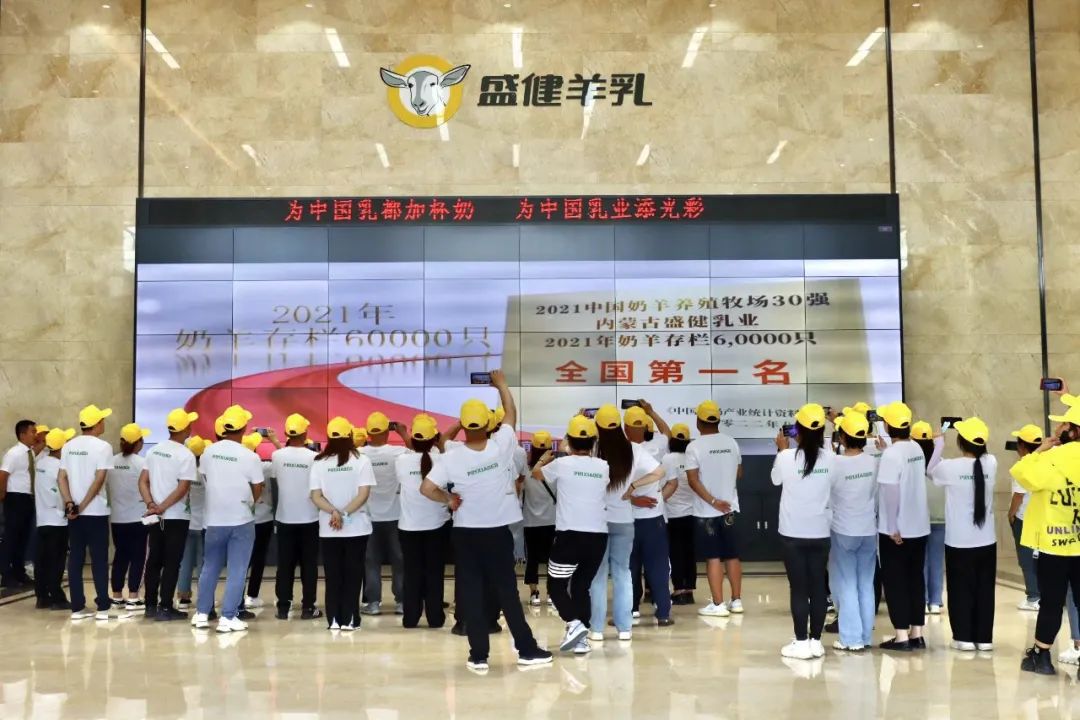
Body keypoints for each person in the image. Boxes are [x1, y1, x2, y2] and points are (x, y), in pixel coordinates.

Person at [420, 369, 553, 671]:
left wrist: (449, 500)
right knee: (507, 592)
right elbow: (511, 413)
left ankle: (478, 655)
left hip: (465, 534)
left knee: (471, 592)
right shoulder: (500, 446)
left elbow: (426, 488)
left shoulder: (451, 456)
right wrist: (501, 385)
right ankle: (526, 649)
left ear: (465, 425)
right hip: (496, 533)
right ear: (487, 424)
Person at [530, 415, 610, 654]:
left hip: (570, 536)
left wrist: (544, 458)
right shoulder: (603, 466)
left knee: (555, 585)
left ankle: (574, 623)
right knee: (581, 586)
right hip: (598, 536)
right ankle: (581, 639)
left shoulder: (561, 464)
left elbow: (536, 473)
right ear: (594, 442)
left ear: (569, 440)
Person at [589, 404, 667, 641]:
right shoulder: (634, 449)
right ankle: (624, 629)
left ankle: (597, 629)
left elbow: (565, 447)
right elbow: (659, 472)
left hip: (599, 522)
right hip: (624, 521)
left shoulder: (593, 449)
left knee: (598, 575)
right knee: (623, 573)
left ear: (598, 426)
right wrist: (633, 486)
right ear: (620, 426)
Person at [1014, 396, 1080, 675]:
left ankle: (1041, 656)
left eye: (1064, 424)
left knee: (1051, 602)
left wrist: (1039, 450)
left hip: (1054, 545)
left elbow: (1021, 473)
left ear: (1073, 431)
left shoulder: (1051, 459)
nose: (1058, 428)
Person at [191, 405, 264, 633]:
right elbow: (258, 487)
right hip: (241, 519)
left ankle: (202, 614)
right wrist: (248, 503)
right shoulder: (250, 456)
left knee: (210, 567)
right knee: (237, 570)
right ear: (243, 428)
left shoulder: (208, 452)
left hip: (213, 519)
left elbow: (205, 477)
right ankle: (228, 617)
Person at [772, 403, 835, 659]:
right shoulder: (831, 458)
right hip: (821, 531)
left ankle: (800, 642)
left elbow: (775, 479)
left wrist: (781, 449)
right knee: (818, 586)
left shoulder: (786, 457)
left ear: (797, 430)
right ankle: (816, 641)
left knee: (798, 588)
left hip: (792, 533)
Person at [931, 417, 997, 652]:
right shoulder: (992, 462)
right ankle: (984, 639)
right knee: (985, 590)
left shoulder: (950, 467)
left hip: (959, 542)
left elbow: (930, 471)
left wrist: (939, 444)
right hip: (987, 540)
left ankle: (963, 638)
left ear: (961, 442)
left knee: (960, 589)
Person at [309, 417, 377, 631]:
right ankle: (350, 619)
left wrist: (334, 513)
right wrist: (344, 513)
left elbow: (315, 496)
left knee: (333, 576)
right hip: (357, 527)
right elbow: (363, 494)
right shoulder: (361, 460)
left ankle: (334, 620)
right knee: (353, 575)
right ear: (350, 436)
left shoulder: (319, 462)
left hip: (329, 527)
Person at [58, 405, 124, 621]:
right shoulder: (103, 447)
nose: (104, 423)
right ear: (96, 424)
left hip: (74, 514)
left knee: (76, 558)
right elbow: (99, 479)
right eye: (102, 420)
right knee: (99, 560)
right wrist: (83, 505)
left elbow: (61, 477)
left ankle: (77, 607)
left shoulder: (68, 446)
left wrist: (70, 503)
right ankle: (103, 607)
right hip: (95, 512)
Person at [876, 401, 930, 651]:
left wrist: (892, 526)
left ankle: (901, 636)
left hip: (897, 530)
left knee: (895, 581)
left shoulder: (891, 455)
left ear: (888, 426)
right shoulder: (916, 447)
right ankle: (917, 633)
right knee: (915, 579)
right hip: (919, 526)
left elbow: (891, 492)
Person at [685, 400, 744, 617]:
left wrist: (712, 500)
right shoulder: (731, 442)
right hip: (729, 510)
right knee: (732, 555)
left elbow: (692, 480)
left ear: (699, 421)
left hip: (706, 512)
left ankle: (718, 604)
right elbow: (739, 473)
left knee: (713, 557)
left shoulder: (694, 447)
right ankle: (736, 601)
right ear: (718, 421)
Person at [827, 412, 878, 652]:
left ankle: (850, 639)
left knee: (846, 584)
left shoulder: (835, 463)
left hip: (844, 529)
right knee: (865, 584)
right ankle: (865, 636)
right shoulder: (873, 461)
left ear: (843, 437)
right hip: (868, 529)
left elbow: (828, 494)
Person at [140, 409, 198, 621]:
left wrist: (151, 504)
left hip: (156, 516)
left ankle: (149, 605)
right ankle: (165, 607)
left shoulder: (154, 451)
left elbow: (142, 481)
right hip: (176, 516)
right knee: (172, 562)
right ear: (186, 429)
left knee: (154, 560)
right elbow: (183, 488)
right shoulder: (186, 455)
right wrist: (162, 507)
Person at [396, 414, 450, 629]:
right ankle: (435, 618)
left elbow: (414, 452)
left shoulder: (401, 461)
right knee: (434, 573)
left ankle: (410, 618)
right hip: (437, 526)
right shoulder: (441, 460)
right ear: (434, 439)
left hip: (408, 528)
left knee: (411, 573)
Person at [624, 405, 676, 625]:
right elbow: (667, 432)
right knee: (658, 566)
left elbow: (612, 490)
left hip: (627, 519)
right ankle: (663, 613)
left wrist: (632, 499)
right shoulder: (658, 446)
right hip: (654, 519)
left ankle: (630, 610)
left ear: (625, 428)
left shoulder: (620, 452)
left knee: (629, 568)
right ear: (646, 427)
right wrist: (651, 411)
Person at [271, 413, 321, 620]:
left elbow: (275, 481)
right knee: (309, 566)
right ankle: (308, 607)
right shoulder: (314, 457)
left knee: (285, 565)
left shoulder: (277, 456)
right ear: (305, 433)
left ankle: (283, 607)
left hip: (285, 518)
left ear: (286, 433)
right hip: (310, 518)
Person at [360, 411, 407, 616]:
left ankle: (373, 603)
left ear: (369, 432)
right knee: (399, 561)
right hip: (396, 516)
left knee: (371, 561)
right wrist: (403, 433)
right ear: (388, 431)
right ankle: (402, 602)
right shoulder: (398, 452)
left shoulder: (359, 454)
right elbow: (418, 451)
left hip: (368, 518)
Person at [107, 423, 150, 610]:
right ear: (138, 442)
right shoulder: (142, 463)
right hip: (138, 517)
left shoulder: (111, 462)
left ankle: (116, 595)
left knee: (120, 556)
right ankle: (133, 596)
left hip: (117, 518)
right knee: (138, 557)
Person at [33, 428, 75, 609]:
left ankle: (41, 596)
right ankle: (57, 597)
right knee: (56, 561)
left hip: (42, 520)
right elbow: (61, 492)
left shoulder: (40, 462)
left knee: (42, 560)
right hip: (58, 521)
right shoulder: (60, 467)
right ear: (62, 447)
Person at [0, 419, 42, 589]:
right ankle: (6, 574)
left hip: (27, 499)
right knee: (11, 537)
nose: (35, 435)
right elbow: (3, 474)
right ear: (23, 434)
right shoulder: (14, 453)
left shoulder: (29, 452)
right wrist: (3, 495)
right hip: (15, 499)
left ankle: (19, 572)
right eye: (33, 432)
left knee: (23, 538)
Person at [911, 421, 946, 615]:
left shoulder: (912, 463)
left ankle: (922, 599)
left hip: (918, 519)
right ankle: (935, 601)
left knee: (920, 562)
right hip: (940, 518)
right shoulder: (941, 462)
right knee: (937, 561)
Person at [1008, 424, 1043, 612]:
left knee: (1026, 559)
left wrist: (1011, 514)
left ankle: (1033, 597)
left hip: (1024, 519)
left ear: (1022, 446)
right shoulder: (1045, 462)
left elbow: (1018, 496)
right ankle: (1045, 594)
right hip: (1043, 518)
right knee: (1043, 558)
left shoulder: (1022, 466)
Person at [663, 424, 697, 606]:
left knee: (675, 552)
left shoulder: (668, 459)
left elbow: (664, 482)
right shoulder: (692, 457)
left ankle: (679, 590)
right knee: (689, 551)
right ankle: (689, 591)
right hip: (693, 512)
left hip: (673, 513)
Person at [522, 431, 556, 606]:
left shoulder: (526, 473)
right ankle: (551, 593)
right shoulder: (555, 472)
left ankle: (534, 593)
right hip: (552, 520)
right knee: (552, 559)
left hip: (530, 522)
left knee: (532, 559)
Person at [243, 431, 275, 615]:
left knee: (242, 560)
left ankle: (238, 596)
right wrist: (273, 440)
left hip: (244, 518)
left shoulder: (237, 466)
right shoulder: (266, 467)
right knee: (259, 559)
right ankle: (252, 595)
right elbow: (284, 459)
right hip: (264, 518)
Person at [177, 435, 208, 612]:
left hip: (186, 522)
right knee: (203, 563)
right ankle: (204, 598)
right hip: (203, 524)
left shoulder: (183, 472)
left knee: (185, 563)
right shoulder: (205, 474)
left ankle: (183, 598)